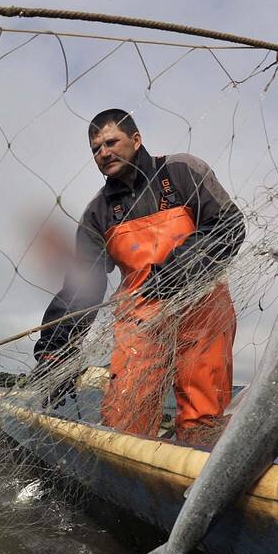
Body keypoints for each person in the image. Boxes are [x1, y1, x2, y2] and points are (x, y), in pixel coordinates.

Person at [34, 109, 244, 443]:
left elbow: (229, 226)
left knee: (202, 418)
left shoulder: (181, 171)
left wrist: (175, 273)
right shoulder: (97, 213)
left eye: (110, 142)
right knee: (124, 420)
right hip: (141, 319)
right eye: (95, 149)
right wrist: (56, 348)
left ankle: (195, 468)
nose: (103, 153)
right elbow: (83, 287)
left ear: (136, 139)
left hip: (203, 309)